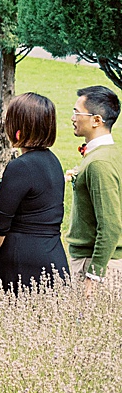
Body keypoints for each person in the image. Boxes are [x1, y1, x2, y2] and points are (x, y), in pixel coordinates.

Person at [0, 92, 71, 290]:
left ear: (18, 127)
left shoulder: (21, 167)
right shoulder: (53, 162)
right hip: (54, 258)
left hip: (23, 262)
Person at [70, 86, 122, 284]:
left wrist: (94, 274)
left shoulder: (99, 163)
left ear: (96, 120)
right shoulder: (112, 153)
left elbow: (110, 225)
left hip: (97, 264)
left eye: (77, 112)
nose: (73, 118)